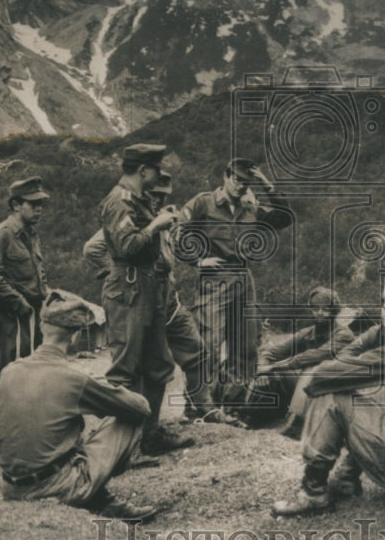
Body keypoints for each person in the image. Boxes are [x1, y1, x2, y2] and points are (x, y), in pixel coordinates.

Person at [272, 269, 385, 516]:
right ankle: (346, 478)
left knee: (333, 393)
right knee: (371, 394)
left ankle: (313, 492)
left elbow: (325, 376)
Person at [83, 172, 235, 426]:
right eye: (154, 195)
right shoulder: (133, 220)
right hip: (138, 298)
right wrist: (119, 276)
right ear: (145, 194)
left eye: (163, 196)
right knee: (137, 367)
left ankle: (203, 409)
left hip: (167, 299)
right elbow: (92, 249)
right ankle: (135, 430)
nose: (158, 200)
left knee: (195, 350)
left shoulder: (161, 219)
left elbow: (174, 251)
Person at [0, 290, 157, 521]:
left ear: (42, 328)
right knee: (129, 417)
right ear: (75, 336)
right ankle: (97, 496)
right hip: (56, 488)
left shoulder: (9, 371)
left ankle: (98, 495)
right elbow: (141, 407)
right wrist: (98, 382)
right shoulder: (74, 377)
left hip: (10, 489)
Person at [98, 144, 191, 455]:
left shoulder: (137, 200)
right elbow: (127, 246)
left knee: (158, 364)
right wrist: (156, 226)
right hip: (129, 289)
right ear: (142, 171)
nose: (157, 174)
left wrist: (158, 220)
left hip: (147, 287)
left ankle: (149, 436)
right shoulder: (119, 201)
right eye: (154, 169)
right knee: (125, 369)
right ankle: (119, 448)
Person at [179, 158, 292, 401]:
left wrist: (265, 183)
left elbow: (285, 218)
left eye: (247, 182)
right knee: (207, 343)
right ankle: (199, 406)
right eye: (238, 180)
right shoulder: (204, 202)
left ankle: (234, 403)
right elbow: (177, 230)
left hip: (243, 277)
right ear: (226, 176)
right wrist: (197, 261)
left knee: (245, 344)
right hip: (214, 279)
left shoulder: (250, 208)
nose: (241, 186)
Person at [252, 285, 355, 437]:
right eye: (315, 308)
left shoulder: (344, 335)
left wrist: (274, 367)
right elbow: (273, 351)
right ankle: (254, 415)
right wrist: (263, 368)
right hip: (310, 389)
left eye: (325, 309)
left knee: (311, 368)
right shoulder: (308, 333)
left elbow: (314, 356)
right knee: (274, 375)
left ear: (334, 311)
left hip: (337, 389)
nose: (319, 313)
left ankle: (297, 421)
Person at [0, 176, 51, 379]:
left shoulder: (31, 234)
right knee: (9, 380)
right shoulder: (2, 234)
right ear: (16, 205)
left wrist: (47, 295)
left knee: (30, 379)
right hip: (8, 321)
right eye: (33, 203)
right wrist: (18, 303)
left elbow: (37, 273)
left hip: (29, 320)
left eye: (41, 204)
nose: (39, 209)